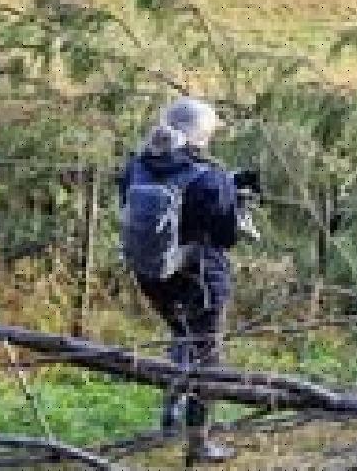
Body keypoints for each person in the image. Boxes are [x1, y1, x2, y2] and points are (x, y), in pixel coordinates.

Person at [120, 98, 245, 465]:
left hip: (153, 277)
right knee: (207, 358)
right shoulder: (211, 177)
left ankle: (170, 414)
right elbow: (226, 237)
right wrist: (234, 203)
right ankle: (198, 443)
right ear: (201, 135)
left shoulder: (137, 165)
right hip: (200, 279)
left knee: (180, 336)